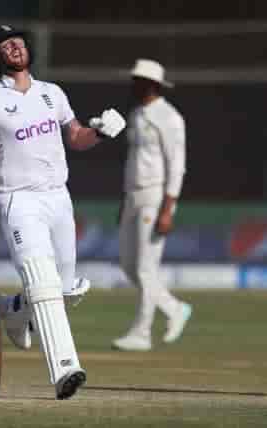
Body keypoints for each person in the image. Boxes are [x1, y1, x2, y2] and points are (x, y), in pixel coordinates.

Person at [0, 25, 126, 399]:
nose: (15, 47)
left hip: (58, 198)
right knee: (43, 282)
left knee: (66, 288)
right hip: (18, 201)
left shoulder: (51, 93)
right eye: (6, 45)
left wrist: (100, 131)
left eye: (19, 42)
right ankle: (65, 370)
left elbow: (75, 137)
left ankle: (14, 310)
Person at [112, 59, 192, 352]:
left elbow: (178, 165)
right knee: (128, 265)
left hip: (155, 197)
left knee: (146, 269)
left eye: (139, 80)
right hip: (132, 196)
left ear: (153, 85)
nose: (133, 84)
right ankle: (173, 308)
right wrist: (124, 199)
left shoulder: (169, 117)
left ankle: (142, 333)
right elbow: (133, 162)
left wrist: (168, 208)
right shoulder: (135, 115)